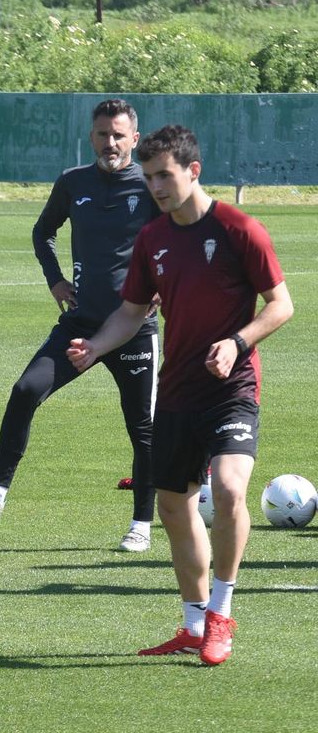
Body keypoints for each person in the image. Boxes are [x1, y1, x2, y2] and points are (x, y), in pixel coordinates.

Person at [67, 125, 291, 666]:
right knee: (172, 506)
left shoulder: (240, 229)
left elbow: (281, 305)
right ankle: (193, 623)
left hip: (232, 387)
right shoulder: (153, 238)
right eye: (148, 178)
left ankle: (221, 614)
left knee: (232, 491)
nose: (157, 187)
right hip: (176, 392)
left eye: (164, 175)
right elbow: (131, 311)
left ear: (193, 170)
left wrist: (238, 343)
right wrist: (95, 347)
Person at [0, 99, 163, 552]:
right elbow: (41, 232)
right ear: (92, 137)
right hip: (80, 322)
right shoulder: (73, 182)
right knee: (26, 390)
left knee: (143, 428)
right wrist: (55, 281)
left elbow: (179, 239)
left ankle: (141, 523)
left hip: (134, 329)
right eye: (103, 133)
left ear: (135, 139)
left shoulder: (150, 186)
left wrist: (164, 284)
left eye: (119, 134)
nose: (111, 142)